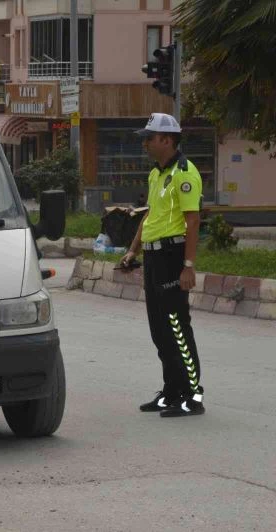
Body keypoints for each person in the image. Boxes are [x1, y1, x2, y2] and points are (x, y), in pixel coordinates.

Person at [120, 113, 205, 418]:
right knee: (160, 329)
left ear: (167, 140)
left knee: (178, 328)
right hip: (154, 257)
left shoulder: (184, 173)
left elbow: (193, 221)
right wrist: (133, 250)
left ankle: (193, 396)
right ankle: (172, 391)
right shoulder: (157, 174)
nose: (145, 143)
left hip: (173, 256)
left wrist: (188, 265)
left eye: (150, 138)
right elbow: (150, 215)